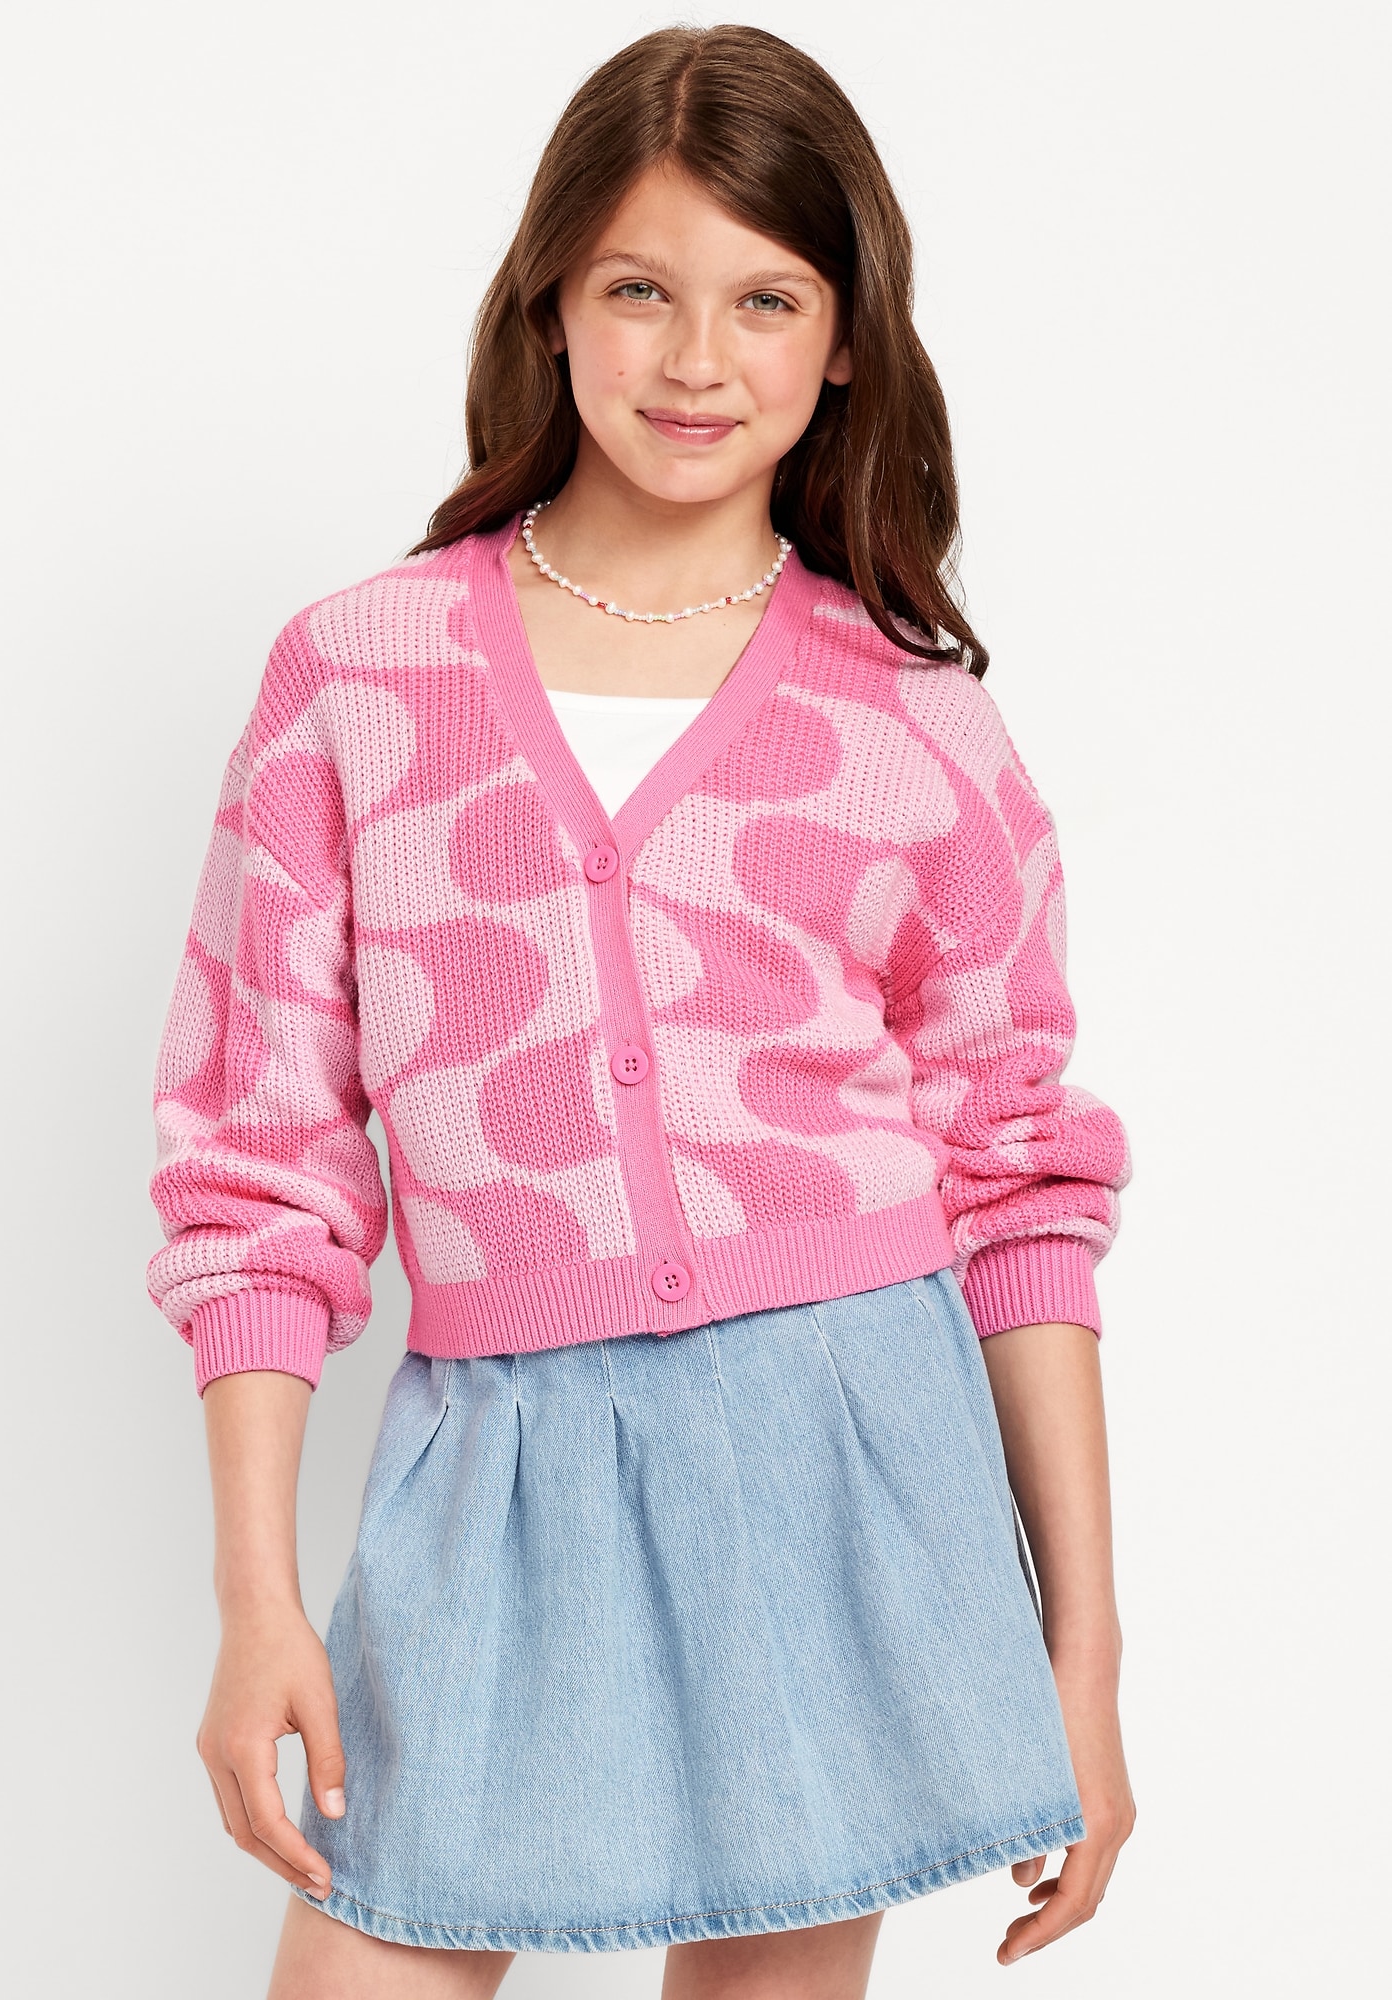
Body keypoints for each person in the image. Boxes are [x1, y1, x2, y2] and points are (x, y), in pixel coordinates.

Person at [147, 24, 1136, 1998]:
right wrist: (256, 1598)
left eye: (767, 300)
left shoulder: (913, 716)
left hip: (846, 1454)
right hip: (498, 1465)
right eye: (638, 289)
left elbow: (1020, 1177)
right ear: (549, 303)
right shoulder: (361, 677)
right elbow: (259, 1164)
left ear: (844, 341)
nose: (698, 359)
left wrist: (1083, 1665)